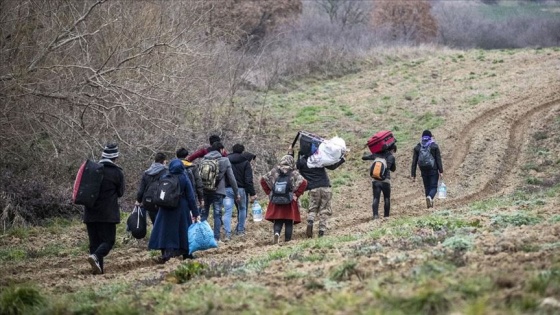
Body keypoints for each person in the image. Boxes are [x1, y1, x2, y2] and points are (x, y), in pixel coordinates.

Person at [148, 159, 199, 263]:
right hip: (181, 208)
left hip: (165, 208)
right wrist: (195, 212)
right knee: (183, 231)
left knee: (165, 231)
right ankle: (186, 253)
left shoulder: (165, 176)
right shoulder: (184, 177)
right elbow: (190, 197)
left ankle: (166, 253)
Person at [84, 143, 124, 275]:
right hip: (107, 214)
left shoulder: (91, 169)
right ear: (115, 157)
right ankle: (95, 258)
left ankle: (98, 270)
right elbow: (121, 192)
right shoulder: (117, 172)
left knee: (94, 243)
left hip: (90, 212)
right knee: (108, 241)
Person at [289, 146, 345, 238]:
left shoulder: (301, 162)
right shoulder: (320, 158)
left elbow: (291, 166)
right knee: (324, 210)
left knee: (313, 209)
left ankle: (310, 220)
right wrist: (342, 158)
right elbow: (332, 166)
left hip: (313, 189)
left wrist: (291, 153)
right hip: (325, 187)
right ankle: (321, 231)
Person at [261, 155, 307, 244]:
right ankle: (287, 241)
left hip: (276, 200)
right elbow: (304, 182)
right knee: (289, 221)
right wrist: (296, 195)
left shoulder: (274, 171)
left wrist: (270, 193)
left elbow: (263, 180)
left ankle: (277, 234)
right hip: (289, 201)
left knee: (278, 220)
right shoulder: (293, 172)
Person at [201, 141, 239, 242]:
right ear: (221, 150)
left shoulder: (204, 159)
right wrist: (236, 193)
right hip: (218, 191)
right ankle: (216, 238)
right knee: (217, 215)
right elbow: (231, 178)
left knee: (204, 214)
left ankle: (202, 237)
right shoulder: (225, 160)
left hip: (205, 191)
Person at [223, 144, 257, 239]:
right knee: (242, 209)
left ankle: (227, 234)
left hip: (227, 189)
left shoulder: (226, 160)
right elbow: (248, 180)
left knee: (227, 211)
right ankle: (240, 230)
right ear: (242, 151)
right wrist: (252, 193)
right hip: (241, 189)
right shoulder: (245, 162)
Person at [411, 130, 444, 208]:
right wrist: (441, 171)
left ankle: (429, 206)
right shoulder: (434, 146)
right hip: (433, 169)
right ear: (430, 137)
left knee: (427, 187)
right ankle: (430, 197)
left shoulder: (418, 147)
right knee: (434, 187)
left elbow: (414, 162)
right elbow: (438, 159)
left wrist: (413, 174)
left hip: (423, 170)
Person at [363, 144, 397, 219]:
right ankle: (386, 216)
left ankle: (375, 215)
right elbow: (393, 169)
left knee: (376, 198)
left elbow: (364, 157)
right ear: (392, 150)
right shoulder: (391, 157)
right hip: (386, 180)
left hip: (376, 180)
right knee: (387, 198)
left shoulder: (376, 155)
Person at [135, 152, 167, 224]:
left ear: (154, 160)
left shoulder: (147, 172)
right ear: (164, 161)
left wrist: (138, 200)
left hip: (148, 201)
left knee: (154, 222)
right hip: (160, 202)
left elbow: (141, 189)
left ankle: (154, 233)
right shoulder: (166, 172)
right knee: (160, 223)